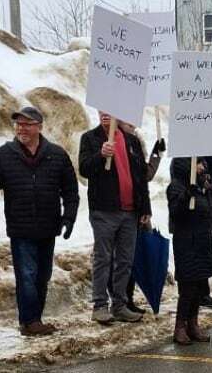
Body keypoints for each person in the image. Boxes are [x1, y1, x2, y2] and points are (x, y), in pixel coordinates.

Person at [0, 107, 79, 336]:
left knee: (42, 277)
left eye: (27, 124)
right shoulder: (3, 155)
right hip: (20, 228)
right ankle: (30, 322)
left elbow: (71, 190)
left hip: (48, 227)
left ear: (39, 127)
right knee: (26, 276)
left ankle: (33, 319)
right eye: (18, 124)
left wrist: (69, 217)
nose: (22, 128)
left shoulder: (57, 154)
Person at [79, 111, 152, 324]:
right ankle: (99, 305)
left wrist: (145, 207)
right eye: (101, 111)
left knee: (125, 260)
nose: (105, 115)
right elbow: (83, 169)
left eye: (109, 111)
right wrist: (100, 155)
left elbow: (140, 178)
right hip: (104, 210)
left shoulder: (131, 140)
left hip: (130, 212)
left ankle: (120, 304)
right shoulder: (90, 138)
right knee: (103, 258)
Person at [110, 121, 166, 314]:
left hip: (138, 208)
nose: (133, 125)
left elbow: (145, 175)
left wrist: (156, 153)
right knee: (120, 258)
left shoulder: (135, 142)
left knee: (134, 257)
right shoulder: (110, 141)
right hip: (118, 211)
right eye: (128, 121)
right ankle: (118, 300)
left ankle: (128, 299)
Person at [167, 157, 212, 345]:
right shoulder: (176, 187)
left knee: (199, 288)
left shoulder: (201, 186)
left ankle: (193, 324)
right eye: (197, 164)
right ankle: (179, 327)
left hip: (202, 242)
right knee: (188, 288)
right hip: (186, 243)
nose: (201, 166)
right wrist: (186, 195)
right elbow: (176, 214)